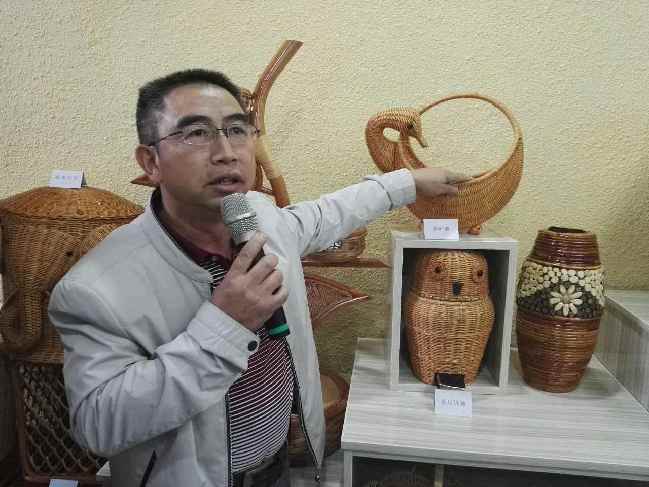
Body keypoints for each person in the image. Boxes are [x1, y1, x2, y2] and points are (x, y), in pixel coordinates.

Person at [49, 69, 468, 487]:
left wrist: (408, 183)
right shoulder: (94, 288)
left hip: (278, 467)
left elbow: (323, 215)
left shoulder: (257, 216)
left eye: (237, 130)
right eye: (196, 133)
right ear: (151, 162)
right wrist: (225, 324)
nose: (226, 152)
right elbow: (97, 425)